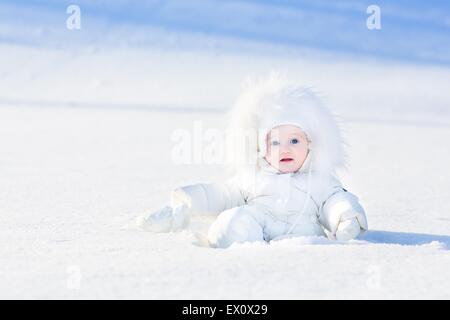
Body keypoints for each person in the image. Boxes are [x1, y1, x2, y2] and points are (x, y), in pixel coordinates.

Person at [138, 75, 368, 248]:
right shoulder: (253, 177)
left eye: (295, 140)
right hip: (258, 235)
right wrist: (189, 201)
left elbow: (337, 200)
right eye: (275, 143)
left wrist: (346, 217)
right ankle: (234, 247)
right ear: (260, 148)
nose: (285, 148)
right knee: (235, 219)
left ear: (311, 144)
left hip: (306, 242)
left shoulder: (320, 181)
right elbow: (222, 193)